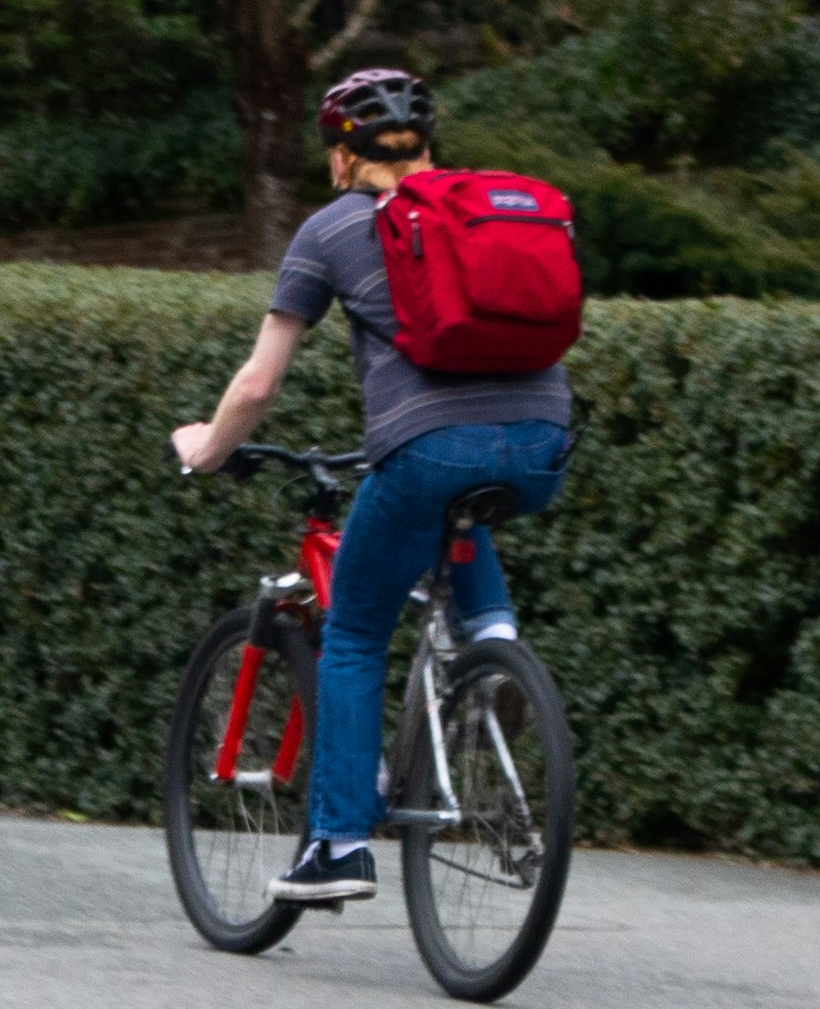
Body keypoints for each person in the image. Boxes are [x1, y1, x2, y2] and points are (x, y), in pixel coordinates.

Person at [167, 67, 570, 905]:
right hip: (541, 444)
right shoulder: (489, 210)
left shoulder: (331, 228)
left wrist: (206, 448)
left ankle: (340, 844)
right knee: (458, 507)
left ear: (341, 157)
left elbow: (257, 386)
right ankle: (495, 657)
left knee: (352, 632)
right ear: (430, 147)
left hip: (427, 450)